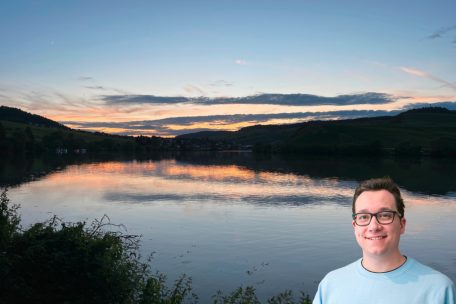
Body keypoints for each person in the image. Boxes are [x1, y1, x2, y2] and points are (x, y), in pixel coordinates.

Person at [313, 177, 455, 304]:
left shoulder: (439, 289)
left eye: (385, 215)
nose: (374, 226)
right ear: (355, 226)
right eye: (363, 216)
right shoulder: (331, 285)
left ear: (402, 225)